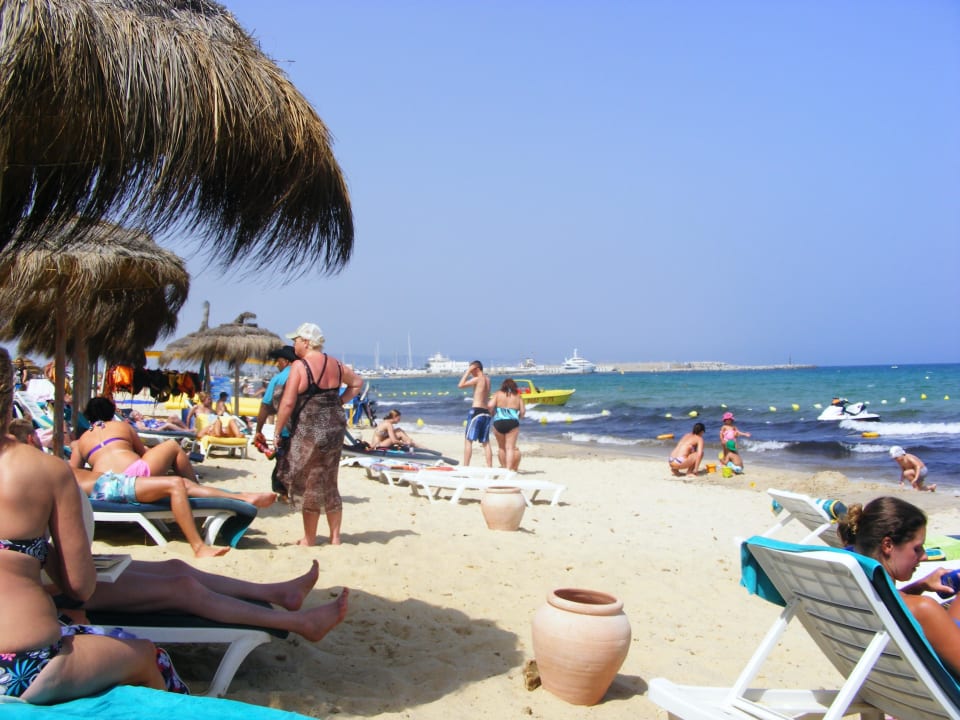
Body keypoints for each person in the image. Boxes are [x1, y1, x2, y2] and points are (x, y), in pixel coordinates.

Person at [0, 348, 176, 702]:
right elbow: (80, 587)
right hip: (17, 665)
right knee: (146, 656)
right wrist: (35, 550)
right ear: (8, 401)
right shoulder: (46, 470)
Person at [53, 558, 349, 644]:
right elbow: (79, 585)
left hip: (53, 576)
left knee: (177, 569)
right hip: (54, 592)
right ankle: (300, 623)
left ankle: (275, 592)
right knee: (183, 589)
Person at [837, 496, 960, 675]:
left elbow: (894, 605)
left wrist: (920, 585)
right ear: (888, 545)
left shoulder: (857, 594)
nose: (924, 556)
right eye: (917, 548)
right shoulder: (924, 608)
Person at [273, 322, 364, 547]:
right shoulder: (335, 364)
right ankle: (335, 537)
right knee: (330, 479)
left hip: (310, 429)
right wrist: (337, 402)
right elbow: (357, 383)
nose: (293, 343)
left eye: (295, 339)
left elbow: (287, 402)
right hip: (334, 427)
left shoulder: (299, 366)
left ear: (306, 342)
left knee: (309, 481)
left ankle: (310, 538)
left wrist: (277, 430)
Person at [71, 466, 276, 558]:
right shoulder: (50, 467)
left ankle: (243, 497)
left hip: (110, 482)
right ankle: (198, 547)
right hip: (106, 488)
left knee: (185, 483)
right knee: (175, 484)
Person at [71, 396, 200, 481]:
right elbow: (143, 454)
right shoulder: (122, 426)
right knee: (172, 446)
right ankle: (194, 488)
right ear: (111, 412)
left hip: (104, 483)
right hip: (135, 478)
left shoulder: (81, 440)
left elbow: (74, 473)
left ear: (88, 416)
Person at [254, 345, 297, 497]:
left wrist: (258, 430)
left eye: (278, 361)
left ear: (285, 361)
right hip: (306, 428)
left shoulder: (279, 379)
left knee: (283, 461)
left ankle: (284, 494)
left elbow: (266, 406)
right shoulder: (307, 376)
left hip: (286, 429)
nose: (277, 365)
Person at [458, 360, 492, 467]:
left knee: (468, 441)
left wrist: (467, 372)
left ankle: (465, 467)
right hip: (486, 413)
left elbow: (460, 385)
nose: (471, 372)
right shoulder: (488, 379)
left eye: (472, 370)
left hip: (476, 412)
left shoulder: (477, 379)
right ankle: (489, 467)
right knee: (486, 443)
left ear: (477, 369)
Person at [488, 378, 525, 471]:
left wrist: (492, 413)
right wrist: (519, 417)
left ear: (503, 386)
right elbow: (523, 411)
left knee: (501, 447)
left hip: (498, 422)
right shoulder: (518, 396)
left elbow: (490, 405)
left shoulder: (498, 394)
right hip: (512, 422)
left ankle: (504, 467)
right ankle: (508, 470)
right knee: (510, 448)